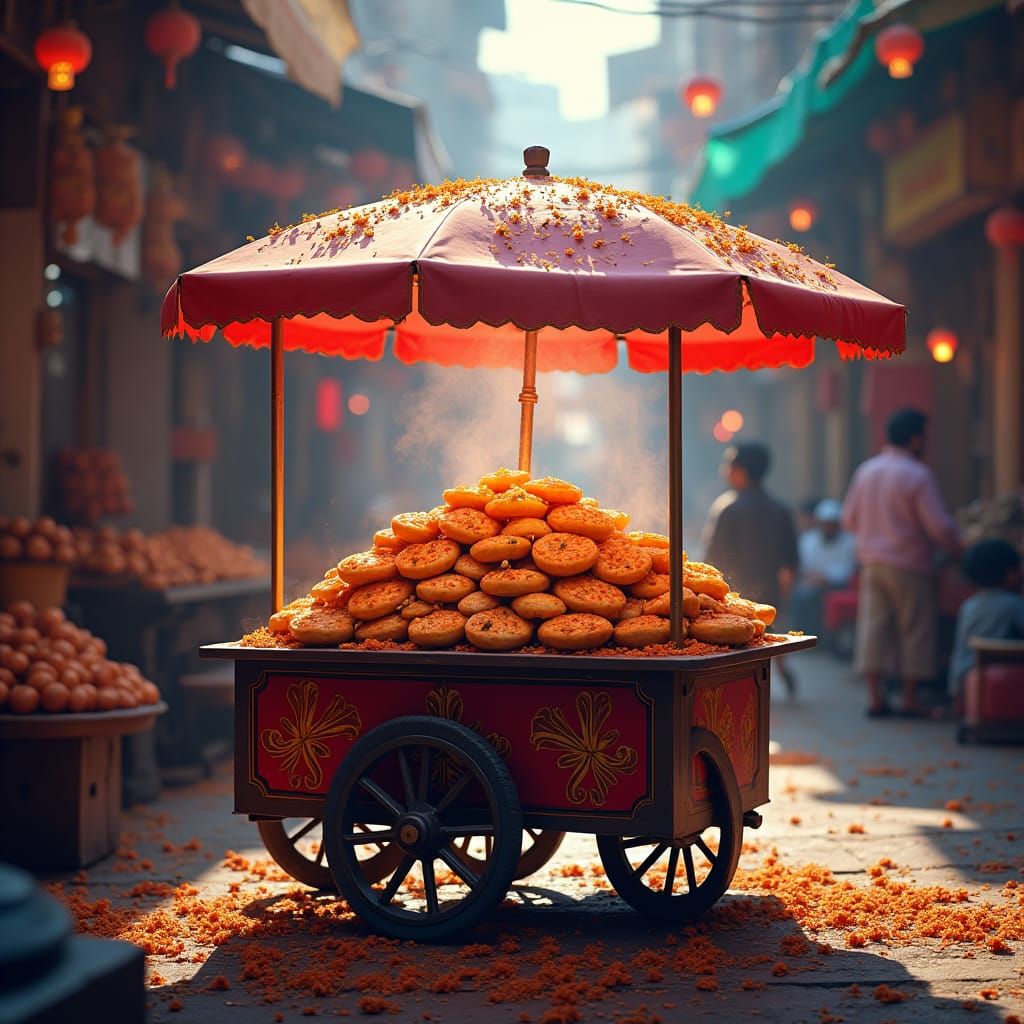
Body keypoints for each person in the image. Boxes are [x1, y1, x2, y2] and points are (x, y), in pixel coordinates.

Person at [842, 408, 960, 718]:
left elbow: (849, 519)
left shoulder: (866, 471)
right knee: (915, 629)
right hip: (909, 563)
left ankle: (875, 698)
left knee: (874, 627)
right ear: (914, 438)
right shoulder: (917, 474)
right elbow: (939, 527)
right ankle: (909, 698)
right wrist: (956, 548)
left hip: (872, 563)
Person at [701, 442, 799, 693]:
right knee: (770, 634)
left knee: (739, 647)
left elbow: (711, 561)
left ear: (739, 470)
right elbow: (790, 564)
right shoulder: (780, 509)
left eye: (728, 464)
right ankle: (780, 672)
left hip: (734, 595)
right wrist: (783, 596)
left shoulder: (727, 507)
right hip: (770, 593)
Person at [948, 539, 1024, 704]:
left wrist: (955, 691)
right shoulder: (1013, 603)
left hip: (965, 678)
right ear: (1009, 574)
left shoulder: (969, 605)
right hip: (998, 680)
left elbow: (959, 650)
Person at [789, 499, 857, 636]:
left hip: (838, 584)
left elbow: (848, 569)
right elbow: (805, 565)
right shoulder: (808, 540)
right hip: (812, 583)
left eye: (831, 524)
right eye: (825, 524)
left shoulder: (850, 542)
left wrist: (826, 577)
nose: (828, 527)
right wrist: (813, 577)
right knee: (800, 596)